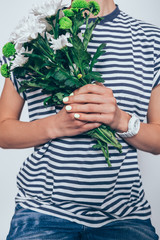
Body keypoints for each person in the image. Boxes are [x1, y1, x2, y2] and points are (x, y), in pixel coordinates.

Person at [0, 0, 160, 239]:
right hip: (40, 215)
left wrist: (120, 120)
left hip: (126, 218)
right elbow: (3, 131)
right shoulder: (32, 37)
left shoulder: (152, 40)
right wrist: (55, 125)